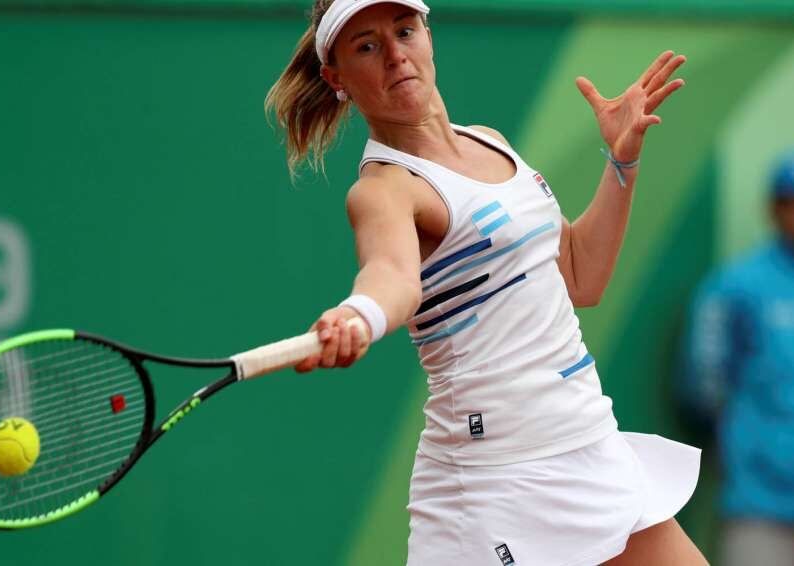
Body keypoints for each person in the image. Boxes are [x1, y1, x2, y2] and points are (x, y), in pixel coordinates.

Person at [265, 0, 706, 563]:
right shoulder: (384, 189)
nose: (396, 55)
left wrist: (621, 162)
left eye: (405, 32)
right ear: (337, 78)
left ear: (428, 35)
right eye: (368, 46)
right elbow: (393, 277)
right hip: (494, 483)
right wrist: (361, 314)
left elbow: (580, 276)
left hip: (588, 442)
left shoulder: (489, 140)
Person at [681, 152, 794, 566]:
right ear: (776, 208)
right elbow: (703, 387)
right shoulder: (737, 287)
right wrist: (753, 447)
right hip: (760, 503)